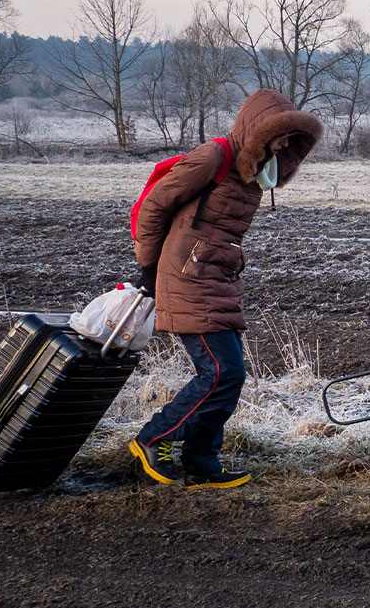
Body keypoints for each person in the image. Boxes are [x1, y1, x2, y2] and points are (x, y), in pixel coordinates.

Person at [129, 89, 323, 489]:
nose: (284, 143)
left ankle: (201, 460)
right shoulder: (214, 157)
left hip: (217, 277)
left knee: (229, 374)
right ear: (256, 131)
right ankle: (154, 437)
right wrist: (148, 267)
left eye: (290, 137)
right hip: (187, 276)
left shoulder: (255, 170)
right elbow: (154, 205)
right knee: (221, 373)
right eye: (278, 135)